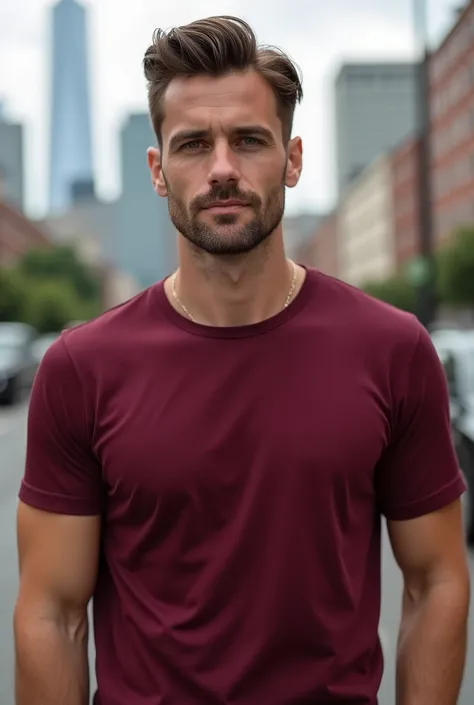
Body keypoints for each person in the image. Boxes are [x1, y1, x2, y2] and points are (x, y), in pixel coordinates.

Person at [14, 15, 469, 705]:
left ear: (291, 158)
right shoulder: (82, 367)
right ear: (158, 170)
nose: (222, 168)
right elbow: (52, 612)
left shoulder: (393, 349)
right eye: (193, 144)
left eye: (249, 140)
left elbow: (437, 580)